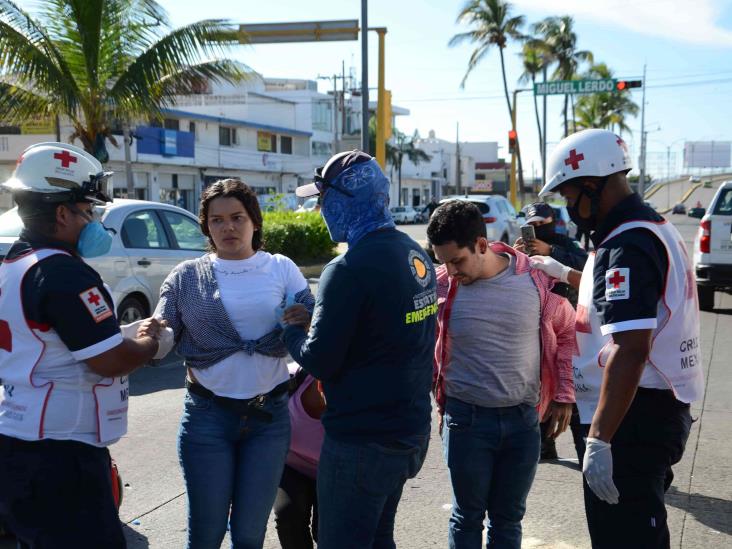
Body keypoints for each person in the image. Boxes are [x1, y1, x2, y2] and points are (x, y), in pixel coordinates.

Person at [532, 128, 704, 549]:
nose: (570, 210)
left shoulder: (627, 244)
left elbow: (631, 349)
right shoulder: (646, 229)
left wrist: (599, 439)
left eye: (572, 198)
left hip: (632, 418)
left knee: (627, 538)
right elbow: (615, 297)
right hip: (647, 410)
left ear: (595, 184)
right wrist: (565, 273)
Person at [0, 142, 169, 548]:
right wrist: (148, 343)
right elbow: (109, 361)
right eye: (88, 211)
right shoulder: (64, 274)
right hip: (60, 455)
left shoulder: (14, 264)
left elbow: (54, 343)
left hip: (19, 442)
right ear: (62, 213)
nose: (94, 221)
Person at [282, 150, 436, 549]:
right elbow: (384, 324)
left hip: (362, 444)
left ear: (344, 199)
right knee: (379, 538)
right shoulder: (413, 252)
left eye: (323, 199)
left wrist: (290, 332)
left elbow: (320, 359)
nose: (319, 209)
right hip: (408, 432)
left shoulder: (347, 269)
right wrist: (321, 314)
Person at [153, 179, 315, 549]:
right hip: (207, 418)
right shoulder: (186, 276)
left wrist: (305, 315)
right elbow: (163, 335)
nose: (228, 227)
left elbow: (314, 317)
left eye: (237, 217)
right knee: (206, 535)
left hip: (268, 421)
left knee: (248, 535)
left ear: (254, 222)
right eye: (217, 220)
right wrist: (150, 335)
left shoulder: (280, 268)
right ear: (206, 226)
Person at [428, 200, 576, 549]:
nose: (451, 270)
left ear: (481, 245)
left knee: (508, 521)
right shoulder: (438, 287)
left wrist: (564, 392)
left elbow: (568, 328)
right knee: (467, 518)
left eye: (457, 260)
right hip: (466, 421)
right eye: (443, 262)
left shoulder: (535, 279)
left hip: (523, 423)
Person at [514, 201, 588, 461]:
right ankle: (545, 444)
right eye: (531, 226)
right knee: (541, 378)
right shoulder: (523, 247)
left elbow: (584, 265)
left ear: (553, 222)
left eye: (541, 225)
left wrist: (551, 251)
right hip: (538, 320)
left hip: (569, 320)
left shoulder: (566, 244)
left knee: (571, 383)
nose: (536, 230)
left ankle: (585, 448)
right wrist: (517, 256)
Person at [273, 366, 326, 549]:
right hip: (290, 465)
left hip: (336, 471)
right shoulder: (292, 379)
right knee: (287, 515)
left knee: (327, 530)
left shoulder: (359, 399)